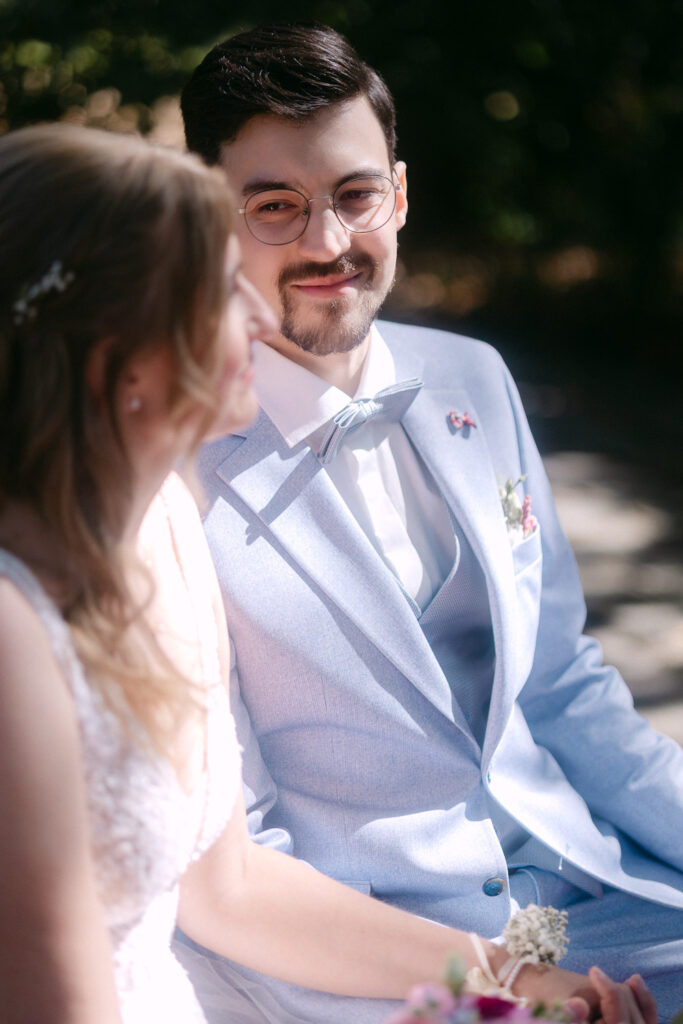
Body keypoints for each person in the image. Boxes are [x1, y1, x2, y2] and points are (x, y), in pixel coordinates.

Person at [1, 123, 639, 1024]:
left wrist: (504, 983)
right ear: (121, 356)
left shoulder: (171, 528)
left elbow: (229, 883)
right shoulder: (12, 628)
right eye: (223, 289)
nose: (263, 319)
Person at [176, 22, 683, 1024]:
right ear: (207, 223)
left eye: (352, 196)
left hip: (586, 896)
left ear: (397, 195)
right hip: (383, 963)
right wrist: (495, 985)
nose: (326, 243)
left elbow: (559, 681)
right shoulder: (172, 469)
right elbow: (239, 857)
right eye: (273, 207)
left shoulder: (471, 377)